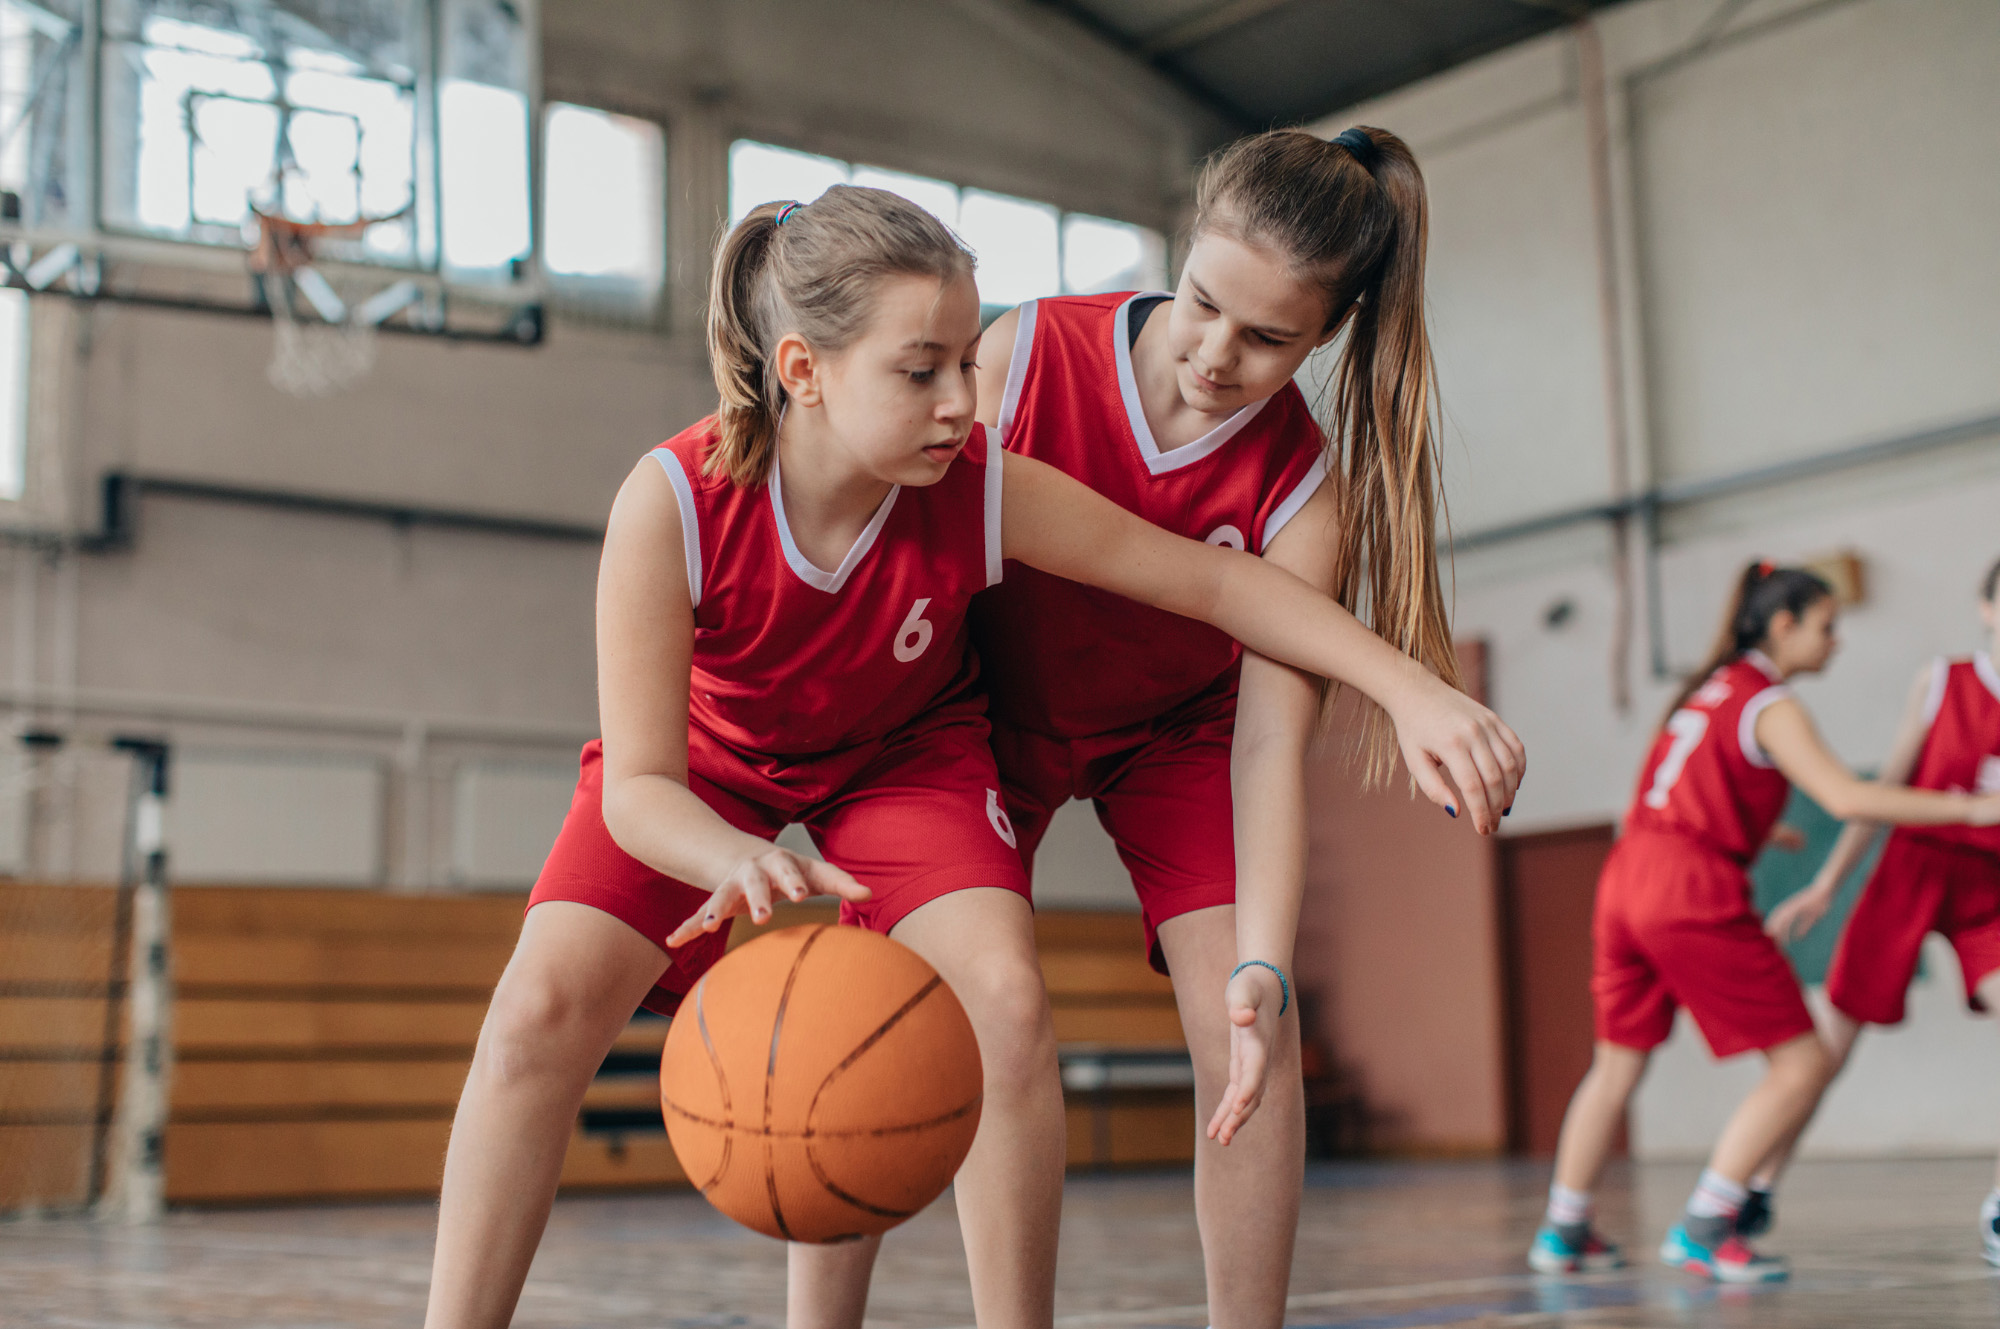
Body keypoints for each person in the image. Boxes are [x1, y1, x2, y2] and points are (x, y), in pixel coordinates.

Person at [423, 184, 1525, 1329]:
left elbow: (1213, 581)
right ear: (803, 369)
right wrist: (736, 856)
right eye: (922, 371)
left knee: (1002, 1000)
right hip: (707, 772)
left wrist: (1404, 687)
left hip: (902, 759)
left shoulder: (978, 485)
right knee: (531, 1019)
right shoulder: (671, 502)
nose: (962, 400)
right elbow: (643, 784)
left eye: (965, 361)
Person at [1529, 561, 2000, 1284]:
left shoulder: (1707, 690)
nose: (1836, 641)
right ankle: (1707, 1225)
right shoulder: (1768, 701)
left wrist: (1760, 830)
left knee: (1616, 1065)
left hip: (1628, 873)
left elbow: (1684, 786)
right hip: (1689, 885)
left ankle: (1563, 1229)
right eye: (1827, 626)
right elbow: (1847, 796)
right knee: (1805, 1062)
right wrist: (1972, 808)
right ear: (1785, 624)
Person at [1760, 554, 2000, 1264]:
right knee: (1828, 1046)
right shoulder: (1944, 681)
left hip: (1989, 886)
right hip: (1913, 866)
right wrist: (1829, 881)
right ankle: (1753, 1187)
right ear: (1987, 608)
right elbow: (1883, 787)